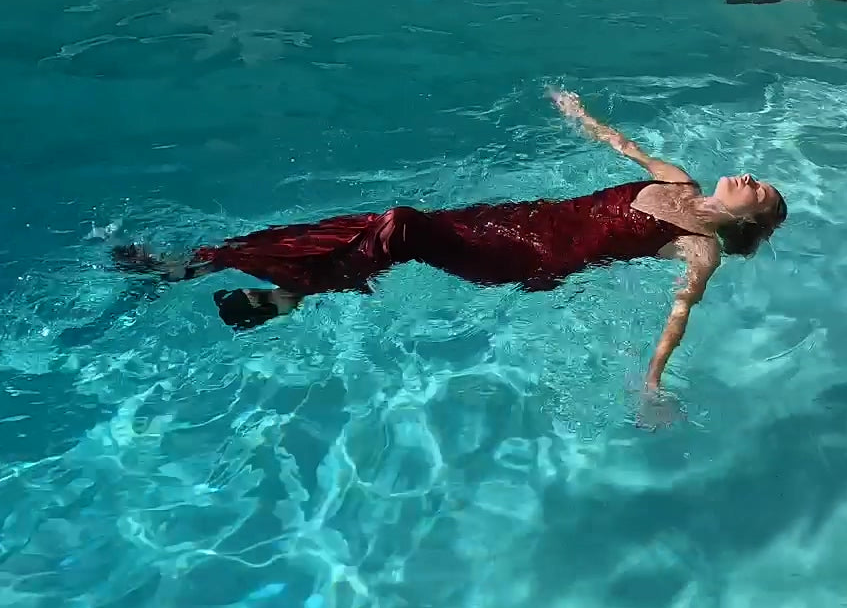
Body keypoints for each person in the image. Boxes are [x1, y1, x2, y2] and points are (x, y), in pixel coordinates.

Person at [112, 89, 787, 392]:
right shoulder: (676, 177)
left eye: (759, 192)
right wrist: (579, 113)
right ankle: (262, 281)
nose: (750, 178)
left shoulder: (698, 247)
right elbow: (624, 146)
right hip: (511, 218)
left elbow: (679, 315)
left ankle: (208, 267)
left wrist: (651, 382)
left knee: (400, 225)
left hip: (522, 257)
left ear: (748, 221)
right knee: (375, 228)